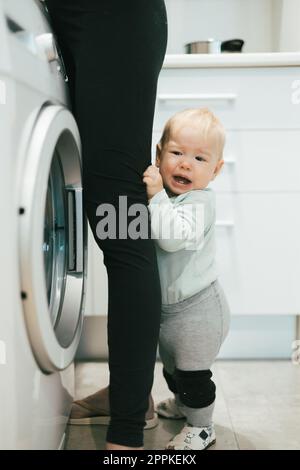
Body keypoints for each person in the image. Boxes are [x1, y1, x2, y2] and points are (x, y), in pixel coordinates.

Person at [45, 0, 168, 450]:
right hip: (70, 19)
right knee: (108, 213)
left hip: (113, 14)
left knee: (121, 222)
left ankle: (128, 429)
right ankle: (130, 397)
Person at [142, 108, 231, 450]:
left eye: (199, 158)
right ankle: (182, 405)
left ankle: (202, 426)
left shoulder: (199, 201)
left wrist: (156, 196)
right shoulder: (172, 196)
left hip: (199, 309)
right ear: (159, 154)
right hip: (170, 309)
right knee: (173, 368)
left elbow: (170, 238)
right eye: (177, 152)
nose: (185, 164)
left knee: (192, 374)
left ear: (216, 169)